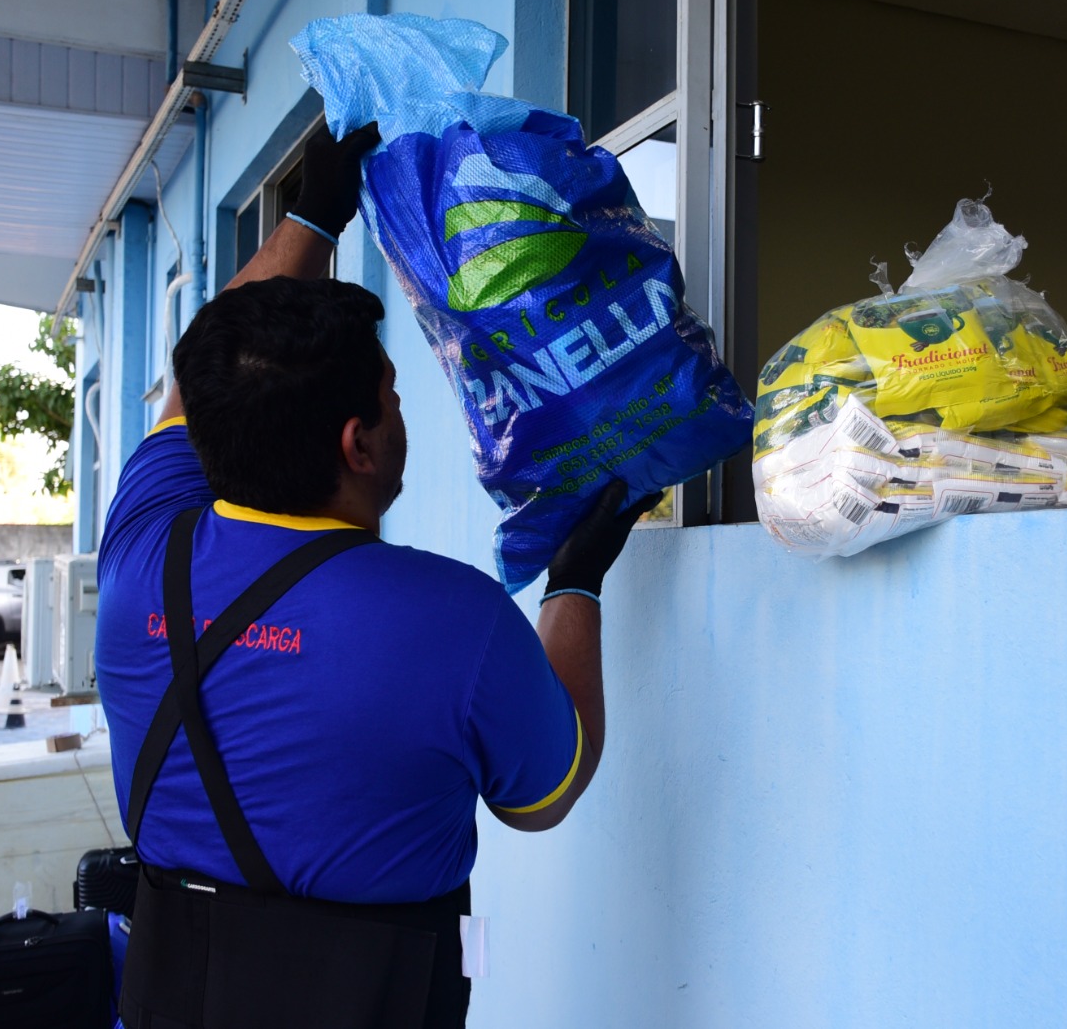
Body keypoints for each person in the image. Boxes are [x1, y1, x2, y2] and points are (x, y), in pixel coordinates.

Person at [94, 125, 656, 1029]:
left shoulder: (138, 555)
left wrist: (311, 215)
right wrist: (576, 589)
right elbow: (548, 792)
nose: (402, 409)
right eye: (394, 394)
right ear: (360, 442)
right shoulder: (453, 620)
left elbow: (207, 379)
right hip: (375, 997)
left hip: (173, 988)